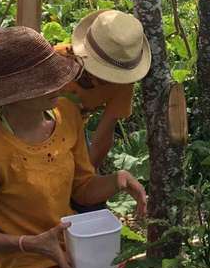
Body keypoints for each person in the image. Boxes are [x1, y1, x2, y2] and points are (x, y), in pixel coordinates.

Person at [0, 26, 179, 268]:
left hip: (83, 256)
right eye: (46, 80)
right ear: (15, 94)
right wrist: (29, 243)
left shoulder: (66, 115)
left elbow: (82, 190)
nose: (60, 83)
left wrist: (117, 180)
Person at [55, 9, 151, 171]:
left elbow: (103, 137)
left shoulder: (123, 84)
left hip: (75, 132)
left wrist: (86, 176)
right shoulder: (57, 60)